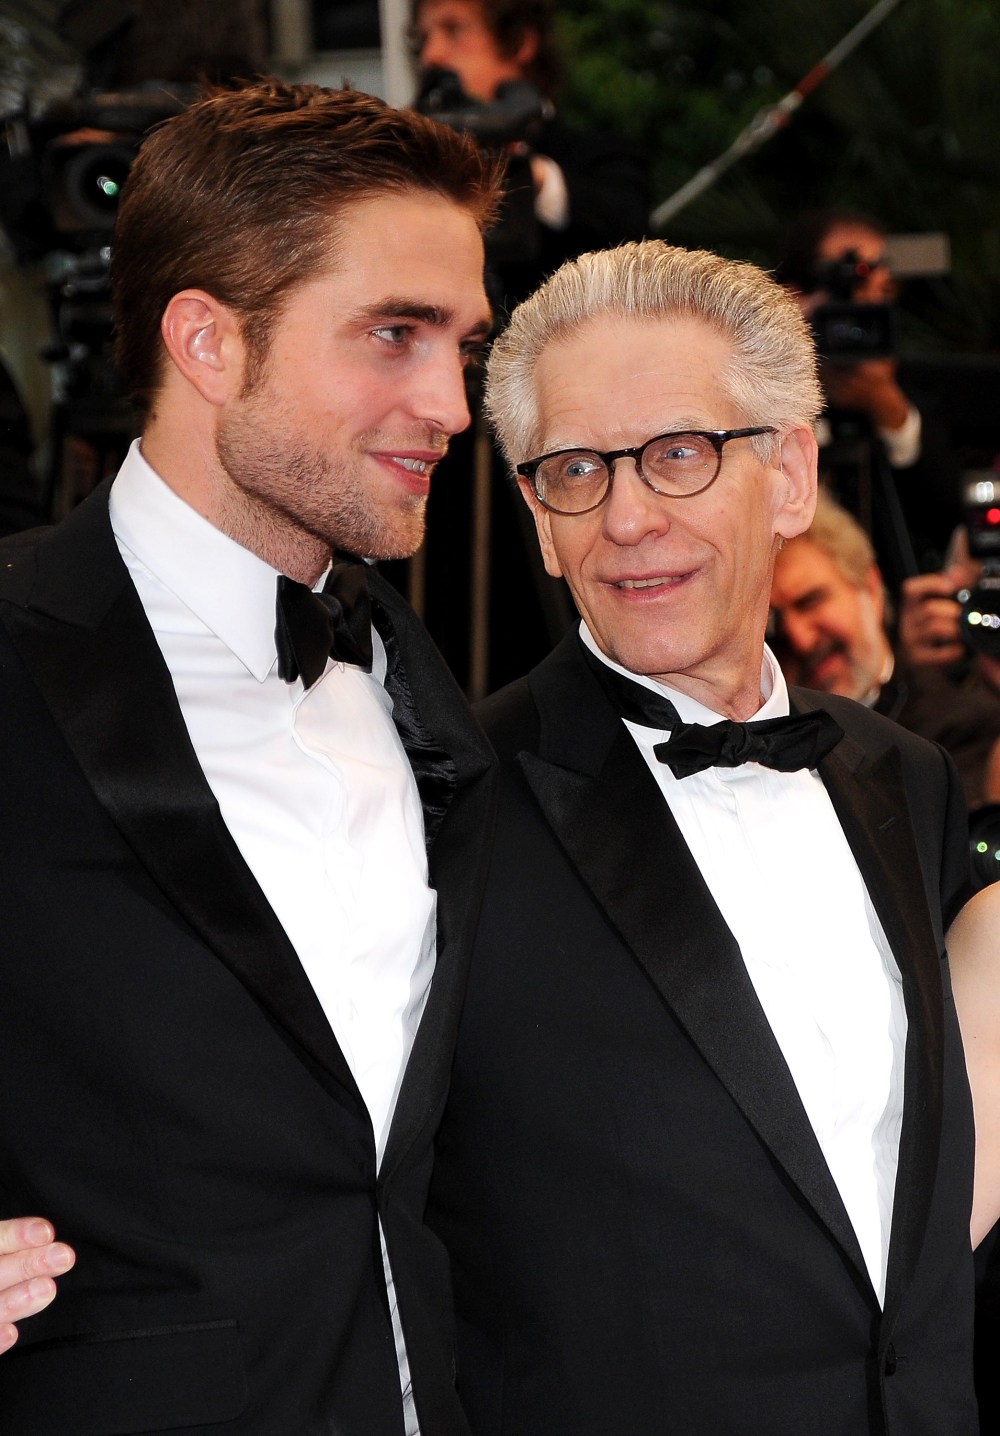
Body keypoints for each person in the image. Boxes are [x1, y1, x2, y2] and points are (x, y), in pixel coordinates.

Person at [0, 79, 501, 1434]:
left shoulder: (426, 682)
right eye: (393, 334)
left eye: (462, 345)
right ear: (209, 342)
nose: (451, 405)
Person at [426, 240, 980, 1434]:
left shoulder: (907, 776)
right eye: (576, 468)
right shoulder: (443, 806)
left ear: (789, 474)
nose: (627, 518)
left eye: (678, 452)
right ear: (537, 516)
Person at [409, 0, 649, 316]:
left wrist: (530, 177)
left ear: (520, 40)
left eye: (455, 30)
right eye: (423, 38)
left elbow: (628, 241)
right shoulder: (409, 157)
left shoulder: (603, 156)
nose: (432, 55)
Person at [770, 486, 1000, 807]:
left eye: (811, 601)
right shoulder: (766, 756)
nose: (800, 638)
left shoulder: (962, 723)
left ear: (871, 587)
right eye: (774, 626)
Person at [777, 208, 961, 569]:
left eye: (881, 287)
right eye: (840, 281)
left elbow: (951, 519)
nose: (859, 303)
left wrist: (887, 408)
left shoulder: (921, 390)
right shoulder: (761, 397)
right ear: (792, 295)